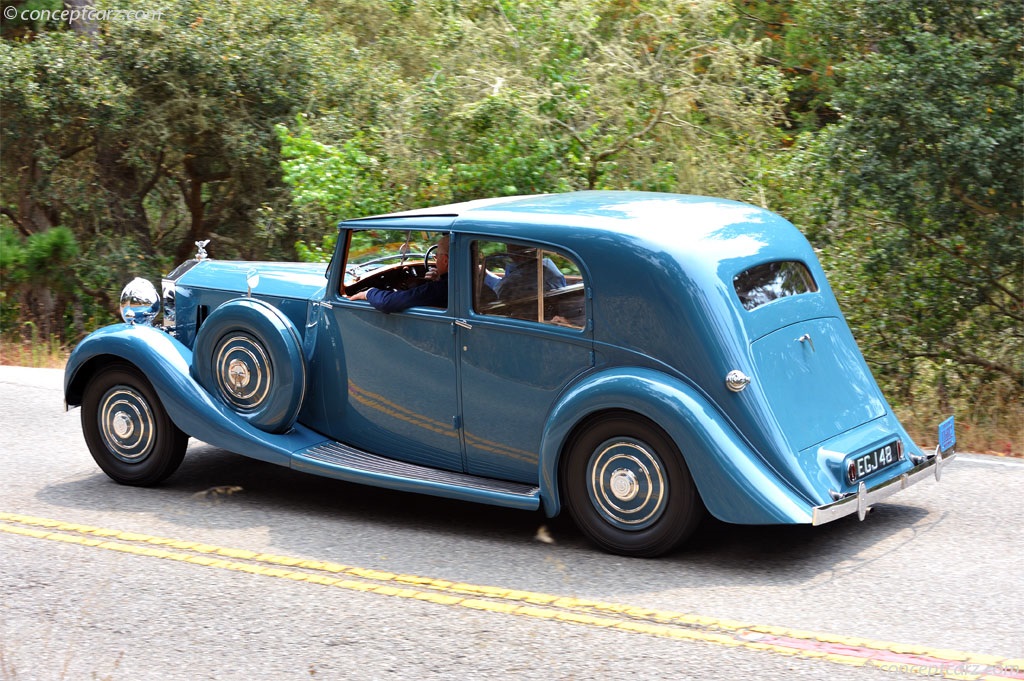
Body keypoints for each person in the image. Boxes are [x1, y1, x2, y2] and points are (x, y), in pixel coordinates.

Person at [347, 236, 449, 313]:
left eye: (436, 256)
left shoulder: (439, 289)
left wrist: (368, 293)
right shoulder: (456, 283)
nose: (434, 259)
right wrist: (439, 279)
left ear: (445, 260)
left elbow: (387, 302)